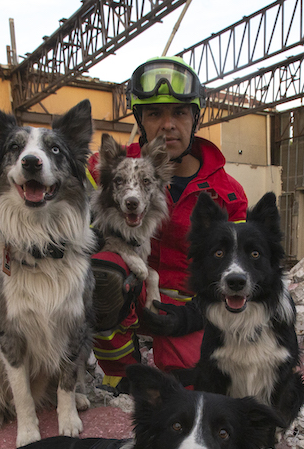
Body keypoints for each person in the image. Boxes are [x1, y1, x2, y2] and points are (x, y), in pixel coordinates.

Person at [89, 56, 248, 390]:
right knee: (105, 275)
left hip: (187, 307)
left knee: (190, 386)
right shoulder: (110, 168)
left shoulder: (227, 194)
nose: (167, 124)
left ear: (195, 118)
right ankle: (122, 373)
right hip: (128, 290)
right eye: (154, 113)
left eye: (179, 112)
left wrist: (190, 316)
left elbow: (239, 268)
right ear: (141, 120)